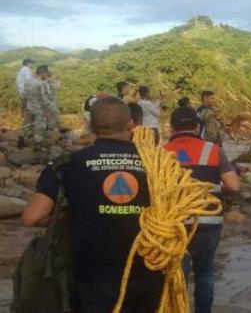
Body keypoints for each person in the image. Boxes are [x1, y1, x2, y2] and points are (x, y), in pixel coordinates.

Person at [21, 97, 163, 312]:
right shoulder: (159, 165)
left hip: (93, 277)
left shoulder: (66, 164)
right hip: (149, 271)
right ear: (131, 123)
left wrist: (70, 214)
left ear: (90, 126)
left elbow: (32, 217)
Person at [164, 106, 241, 313]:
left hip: (176, 227)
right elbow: (234, 186)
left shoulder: (160, 153)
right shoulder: (213, 150)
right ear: (198, 127)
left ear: (171, 128)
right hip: (209, 224)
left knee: (178, 277)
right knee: (205, 273)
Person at [21, 65, 60, 147]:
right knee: (40, 127)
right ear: (43, 73)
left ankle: (21, 139)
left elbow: (24, 95)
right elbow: (45, 99)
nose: (47, 75)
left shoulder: (28, 82)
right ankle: (38, 145)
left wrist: (24, 106)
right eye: (46, 73)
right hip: (39, 109)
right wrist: (53, 109)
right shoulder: (41, 84)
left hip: (29, 107)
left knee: (27, 124)